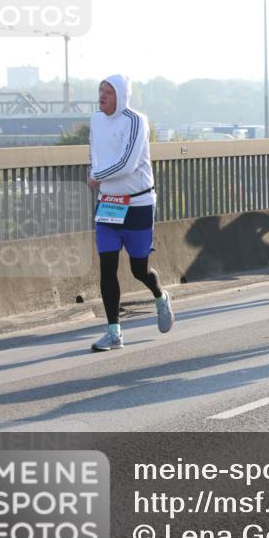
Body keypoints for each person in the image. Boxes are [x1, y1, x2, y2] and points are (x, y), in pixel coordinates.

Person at [88, 74, 174, 351]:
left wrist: (97, 175)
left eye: (108, 92)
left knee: (140, 270)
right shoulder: (95, 120)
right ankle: (114, 332)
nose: (102, 96)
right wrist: (96, 174)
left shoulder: (136, 121)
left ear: (122, 96)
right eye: (100, 90)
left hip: (137, 204)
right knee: (107, 267)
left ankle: (160, 296)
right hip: (108, 204)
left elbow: (127, 163)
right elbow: (95, 155)